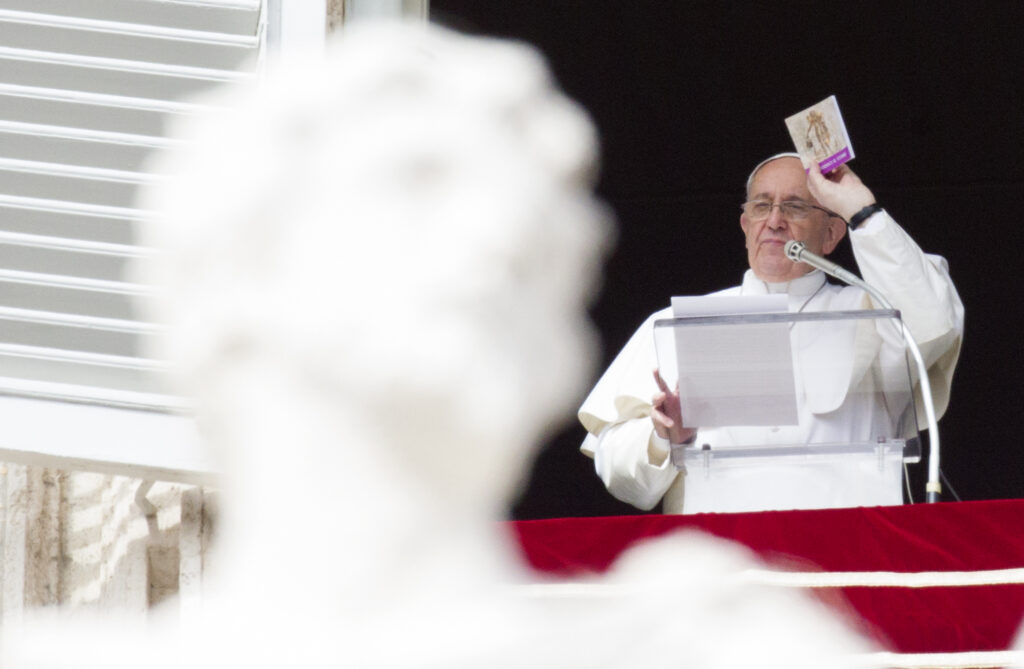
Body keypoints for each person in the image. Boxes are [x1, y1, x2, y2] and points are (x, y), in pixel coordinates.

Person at [579, 153, 964, 514]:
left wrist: (861, 210)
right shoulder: (678, 324)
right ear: (746, 227)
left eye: (796, 206)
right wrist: (664, 438)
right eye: (761, 206)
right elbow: (621, 475)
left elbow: (933, 320)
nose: (775, 221)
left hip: (845, 553)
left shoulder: (872, 312)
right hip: (725, 564)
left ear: (831, 234)